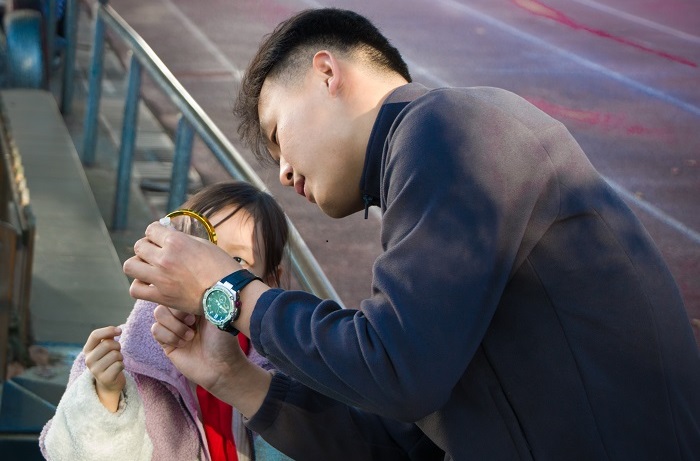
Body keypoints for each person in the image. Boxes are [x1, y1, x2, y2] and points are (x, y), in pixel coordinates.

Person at [125, 8, 700, 460]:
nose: (283, 172)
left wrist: (227, 290)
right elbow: (403, 445)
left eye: (278, 134)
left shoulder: (450, 129)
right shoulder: (429, 171)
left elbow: (395, 371)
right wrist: (231, 377)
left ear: (326, 73)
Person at [40, 181, 294, 461]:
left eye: (235, 259)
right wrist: (106, 397)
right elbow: (65, 453)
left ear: (269, 280)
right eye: (198, 247)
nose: (210, 271)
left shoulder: (287, 366)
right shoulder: (124, 357)